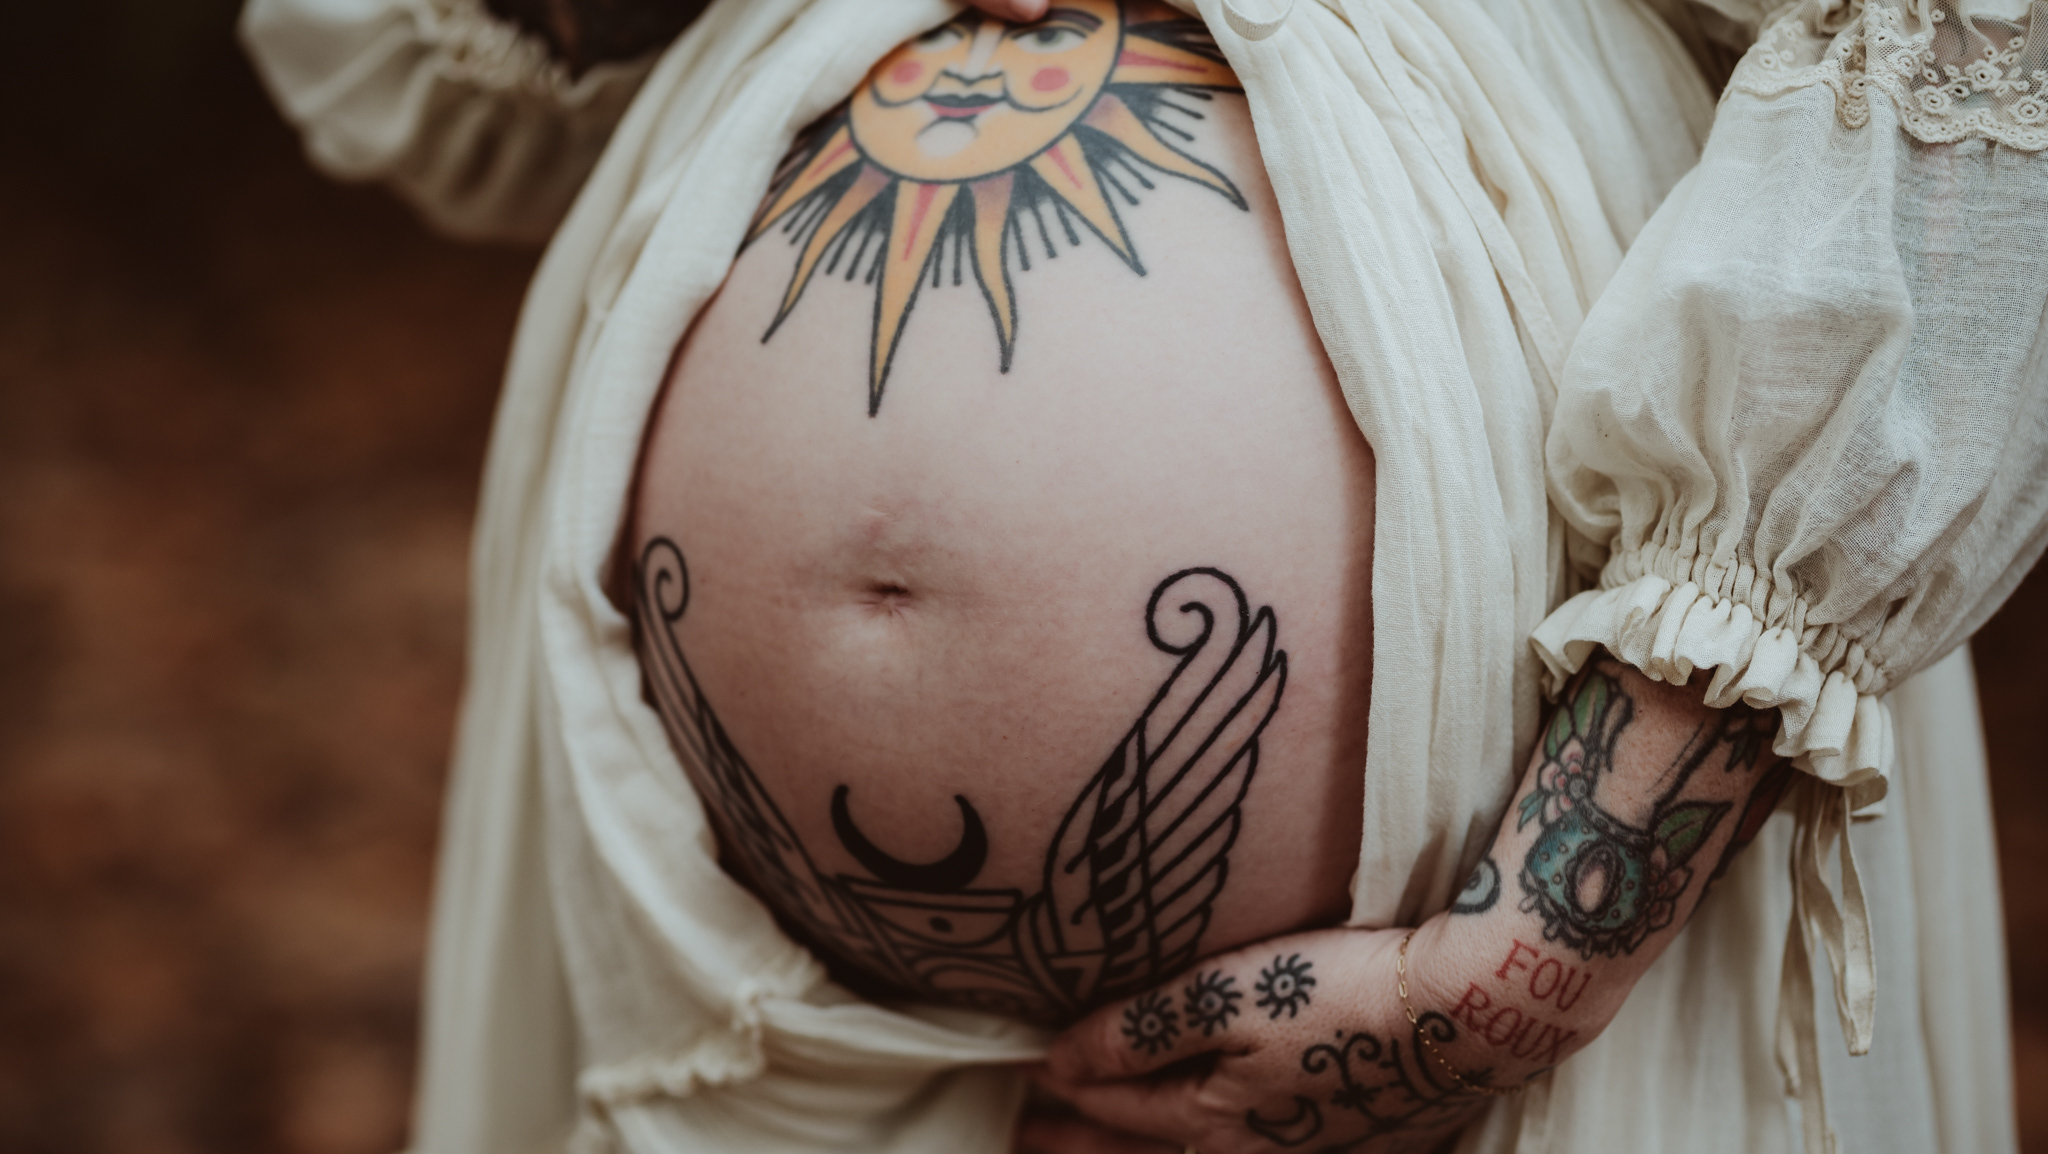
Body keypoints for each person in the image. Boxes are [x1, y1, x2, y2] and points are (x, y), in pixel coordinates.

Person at [241, 1, 2036, 1152]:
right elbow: (415, 81)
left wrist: (1533, 954)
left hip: (1510, 894)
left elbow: (1986, 92)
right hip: (729, 991)